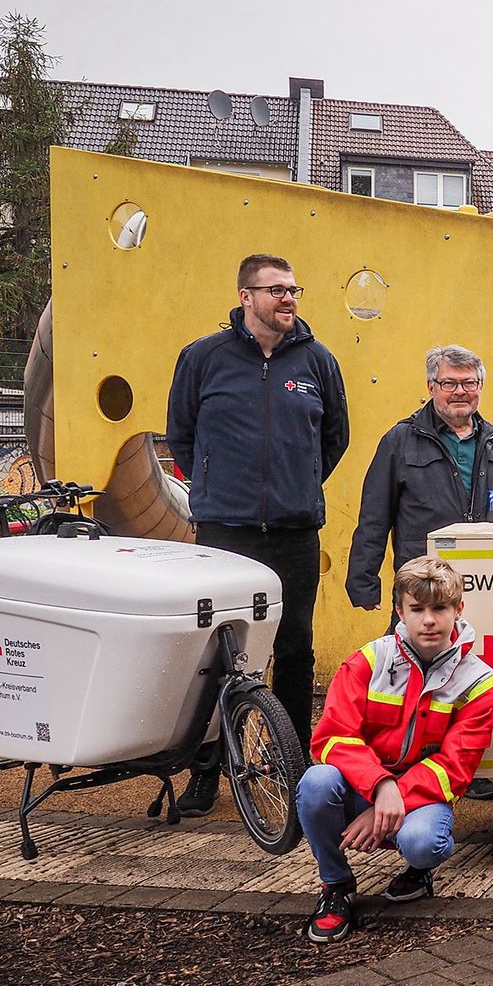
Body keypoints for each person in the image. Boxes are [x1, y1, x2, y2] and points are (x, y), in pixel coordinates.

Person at [167, 253, 349, 817]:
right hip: (225, 533)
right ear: (246, 297)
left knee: (294, 650)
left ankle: (291, 768)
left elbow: (335, 439)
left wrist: (297, 485)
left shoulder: (318, 361)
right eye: (276, 290)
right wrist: (219, 487)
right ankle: (207, 771)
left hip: (294, 533)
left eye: (293, 288)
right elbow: (181, 435)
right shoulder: (203, 358)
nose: (288, 298)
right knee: (216, 654)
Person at [297, 556, 493, 944]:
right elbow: (332, 738)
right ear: (400, 611)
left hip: (422, 798)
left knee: (424, 844)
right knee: (315, 783)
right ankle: (336, 885)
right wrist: (380, 787)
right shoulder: (369, 661)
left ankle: (419, 870)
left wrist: (391, 801)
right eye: (417, 609)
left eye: (439, 608)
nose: (429, 620)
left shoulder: (479, 681)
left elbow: (454, 769)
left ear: (458, 610)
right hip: (365, 787)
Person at [346, 344, 493, 800]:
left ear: (480, 387)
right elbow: (374, 515)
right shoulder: (400, 441)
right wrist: (363, 579)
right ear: (431, 387)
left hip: (486, 585)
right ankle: (402, 763)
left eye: (469, 383)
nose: (460, 392)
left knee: (467, 677)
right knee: (410, 678)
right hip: (422, 588)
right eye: (450, 383)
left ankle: (467, 768)